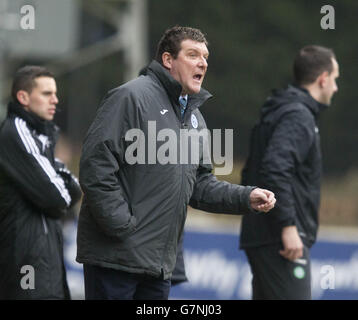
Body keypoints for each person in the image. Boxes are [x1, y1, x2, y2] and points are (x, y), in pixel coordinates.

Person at [77, 26, 276, 300]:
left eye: (205, 57)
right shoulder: (131, 97)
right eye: (193, 55)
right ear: (168, 60)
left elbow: (201, 186)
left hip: (158, 267)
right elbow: (95, 166)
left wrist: (246, 196)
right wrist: (122, 226)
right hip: (117, 258)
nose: (203, 62)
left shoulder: (195, 118)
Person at [240, 45, 339, 300]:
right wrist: (288, 226)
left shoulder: (282, 109)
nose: (336, 88)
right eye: (335, 79)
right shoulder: (298, 115)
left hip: (265, 237)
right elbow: (275, 168)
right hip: (281, 242)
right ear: (323, 79)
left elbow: (254, 169)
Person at [0, 66, 82, 299]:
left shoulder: (41, 136)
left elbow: (72, 188)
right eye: (46, 94)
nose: (55, 100)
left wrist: (60, 192)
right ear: (23, 97)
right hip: (26, 273)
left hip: (46, 268)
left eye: (55, 93)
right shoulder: (17, 132)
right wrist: (59, 194)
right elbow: (60, 196)